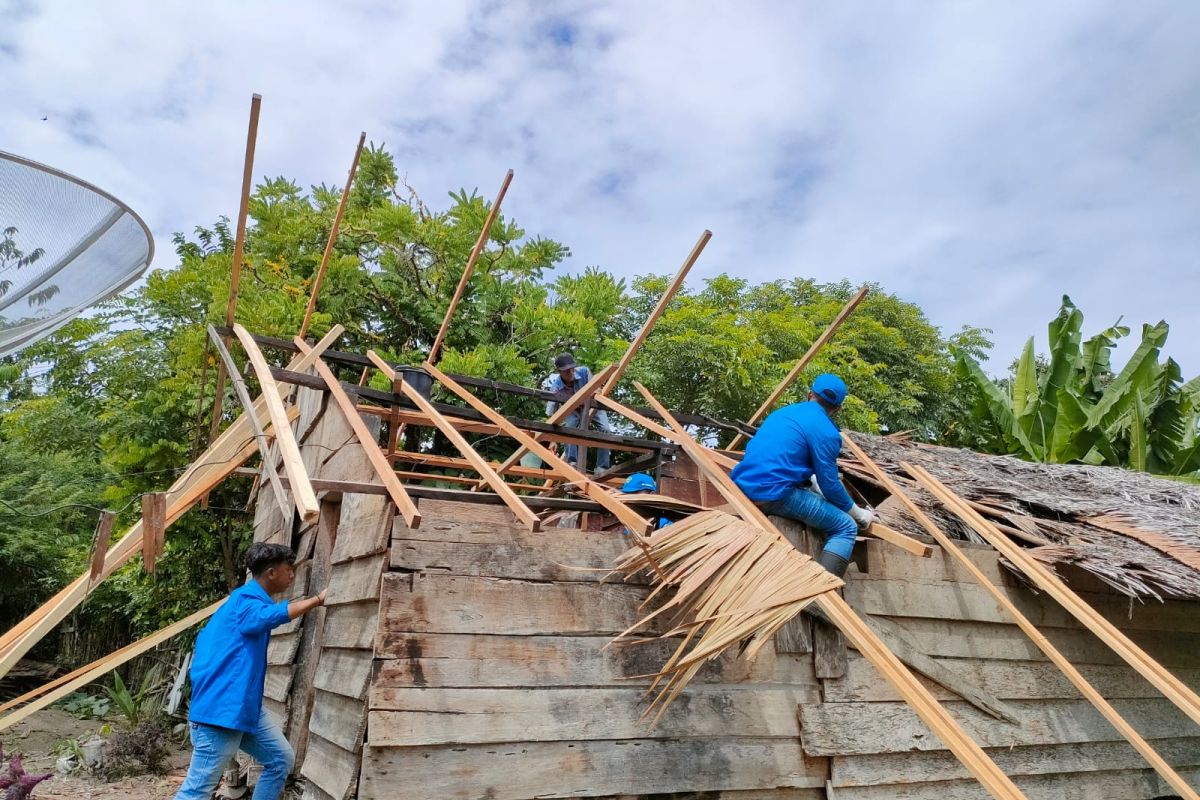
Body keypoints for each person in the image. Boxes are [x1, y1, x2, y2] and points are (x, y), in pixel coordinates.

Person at [175, 543, 327, 800]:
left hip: (243, 708)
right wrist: (318, 600)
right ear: (270, 573)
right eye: (289, 570)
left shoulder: (243, 601)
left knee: (280, 759)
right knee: (197, 791)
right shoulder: (245, 602)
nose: (292, 575)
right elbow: (274, 615)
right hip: (220, 714)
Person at [730, 373, 874, 578]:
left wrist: (811, 482)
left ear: (809, 395)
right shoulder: (828, 432)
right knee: (846, 526)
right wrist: (860, 514)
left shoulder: (781, 414)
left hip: (740, 485)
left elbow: (783, 459)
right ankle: (821, 601)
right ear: (838, 409)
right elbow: (830, 485)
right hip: (773, 494)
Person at [542, 351, 613, 473]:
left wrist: (596, 392)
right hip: (572, 409)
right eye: (566, 371)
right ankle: (572, 462)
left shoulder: (584, 372)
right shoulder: (556, 388)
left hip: (592, 405)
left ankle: (602, 467)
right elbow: (552, 416)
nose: (570, 373)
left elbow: (595, 388)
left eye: (572, 369)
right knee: (570, 428)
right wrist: (553, 440)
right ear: (559, 372)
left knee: (605, 430)